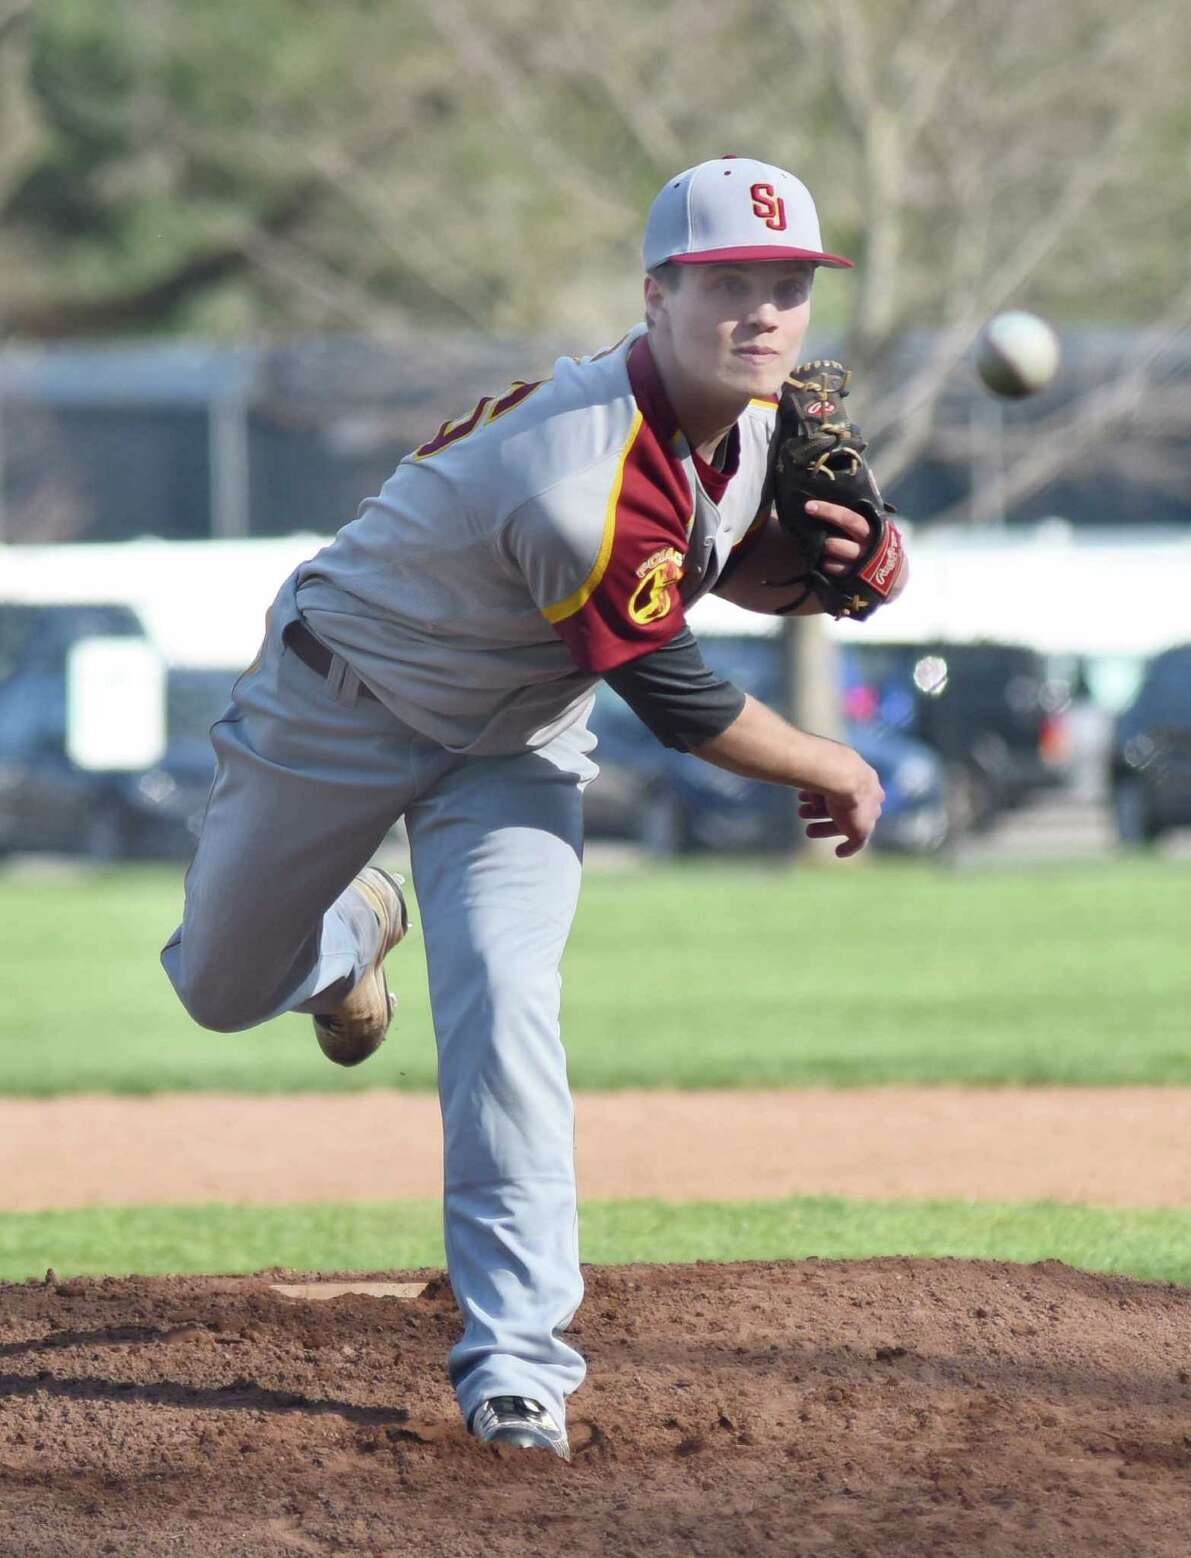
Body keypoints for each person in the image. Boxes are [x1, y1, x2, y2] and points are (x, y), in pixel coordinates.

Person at [161, 155, 901, 1460]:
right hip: (341, 700)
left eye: (788, 283)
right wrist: (831, 762)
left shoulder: (757, 420)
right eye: (731, 282)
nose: (767, 311)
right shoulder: (577, 470)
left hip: (512, 745)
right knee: (220, 984)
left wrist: (842, 568)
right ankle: (350, 935)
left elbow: (712, 565)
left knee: (505, 1001)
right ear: (659, 292)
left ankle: (517, 1370)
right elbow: (678, 697)